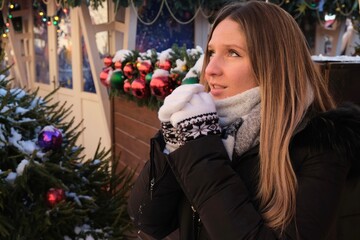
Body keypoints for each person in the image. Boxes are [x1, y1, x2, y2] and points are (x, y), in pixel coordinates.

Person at [127, 1, 360, 239]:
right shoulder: (205, 125)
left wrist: (201, 151)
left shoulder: (320, 148)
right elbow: (147, 219)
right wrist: (173, 143)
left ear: (274, 65)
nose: (211, 69)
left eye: (233, 53)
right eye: (211, 52)